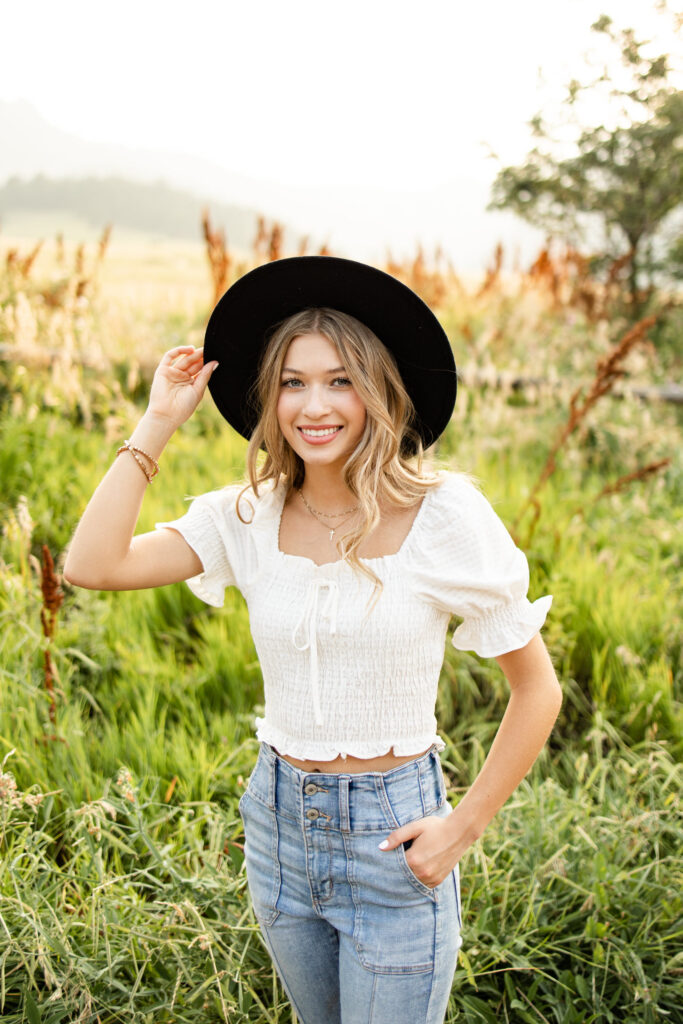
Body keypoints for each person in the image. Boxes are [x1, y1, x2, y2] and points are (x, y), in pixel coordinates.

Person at [64, 256, 562, 1024]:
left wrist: (464, 826)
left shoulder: (445, 516)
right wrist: (157, 420)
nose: (313, 405)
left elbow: (537, 687)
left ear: (378, 391)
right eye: (292, 382)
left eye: (339, 380)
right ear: (269, 396)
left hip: (393, 838)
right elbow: (91, 565)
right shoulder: (248, 515)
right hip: (278, 823)